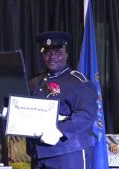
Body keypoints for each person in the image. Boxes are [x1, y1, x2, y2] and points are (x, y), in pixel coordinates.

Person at [26, 31, 98, 169]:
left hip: (68, 152)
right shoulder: (34, 82)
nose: (52, 57)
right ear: (42, 55)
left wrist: (59, 130)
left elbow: (87, 114)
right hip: (39, 153)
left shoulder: (77, 82)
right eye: (47, 53)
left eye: (58, 52)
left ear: (66, 54)